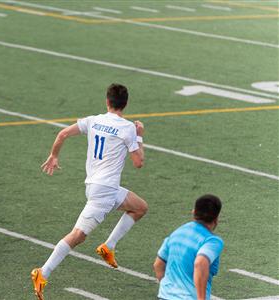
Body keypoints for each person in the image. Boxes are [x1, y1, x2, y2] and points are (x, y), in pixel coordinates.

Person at [31, 83, 148, 299]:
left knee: (140, 207)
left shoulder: (94, 120)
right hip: (104, 192)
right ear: (126, 104)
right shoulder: (127, 128)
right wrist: (139, 135)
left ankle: (108, 246)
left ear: (107, 101)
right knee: (78, 235)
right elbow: (139, 162)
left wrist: (54, 155)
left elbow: (63, 134)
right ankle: (42, 272)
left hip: (99, 186)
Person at [153, 194, 224, 300]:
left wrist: (169, 292)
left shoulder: (177, 233)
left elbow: (158, 265)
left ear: (193, 212)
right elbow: (200, 263)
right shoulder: (212, 241)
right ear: (216, 218)